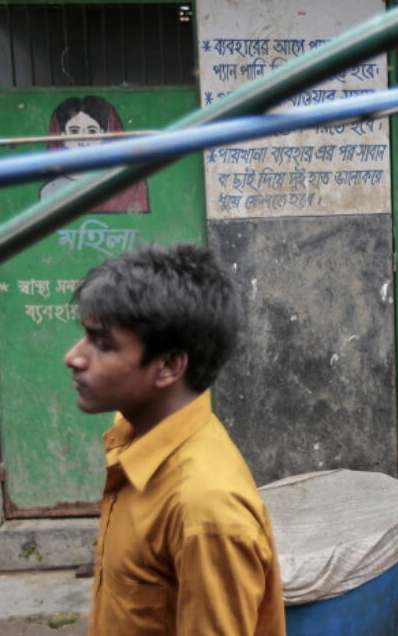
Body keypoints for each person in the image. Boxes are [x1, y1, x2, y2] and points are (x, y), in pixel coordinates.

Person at [64, 243, 284, 636]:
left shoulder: (203, 509)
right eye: (85, 337)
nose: (74, 357)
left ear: (167, 366)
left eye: (102, 344)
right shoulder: (133, 437)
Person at [40, 95, 150, 214]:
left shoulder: (131, 185)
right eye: (74, 131)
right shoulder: (51, 191)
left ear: (104, 135)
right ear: (62, 136)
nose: (83, 140)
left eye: (92, 131)